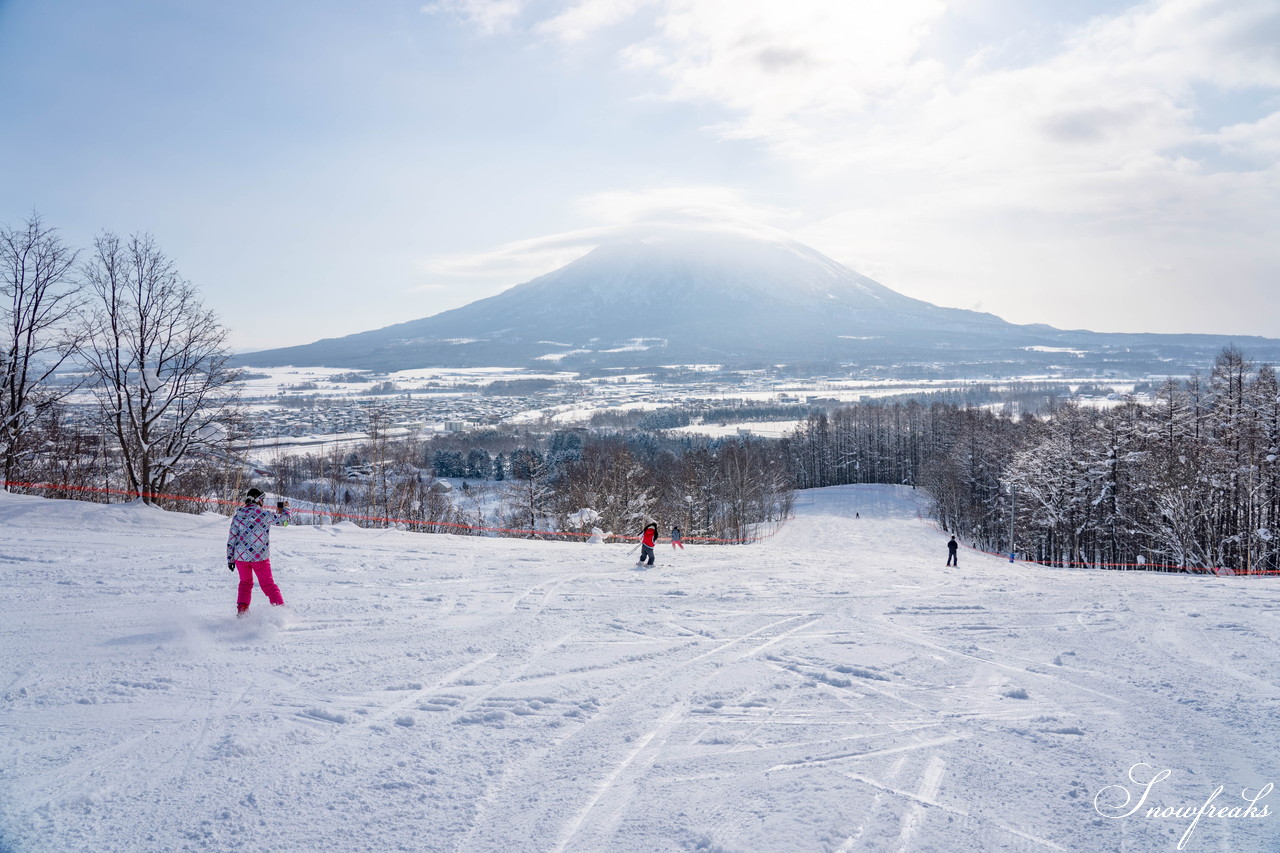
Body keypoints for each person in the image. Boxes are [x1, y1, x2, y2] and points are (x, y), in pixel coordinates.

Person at [227, 487, 291, 617]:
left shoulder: (238, 515)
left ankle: (242, 615)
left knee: (245, 584)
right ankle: (281, 614)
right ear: (259, 500)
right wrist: (286, 509)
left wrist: (230, 559)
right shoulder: (264, 515)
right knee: (268, 585)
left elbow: (232, 538)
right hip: (259, 557)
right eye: (263, 499)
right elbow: (284, 522)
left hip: (241, 558)